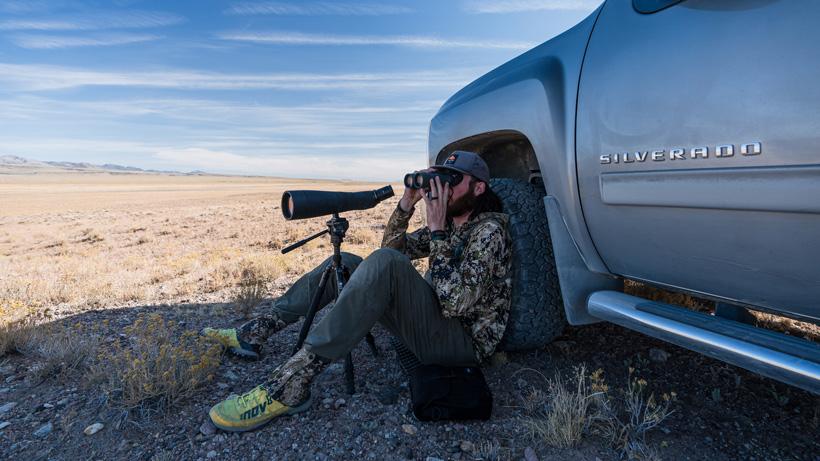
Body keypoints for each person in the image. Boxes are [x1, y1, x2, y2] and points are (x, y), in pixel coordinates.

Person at [203, 150, 512, 432]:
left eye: (454, 181)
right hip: (434, 326)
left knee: (385, 263)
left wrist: (437, 232)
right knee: (347, 263)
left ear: (478, 188)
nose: (445, 189)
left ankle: (290, 384)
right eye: (442, 179)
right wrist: (407, 204)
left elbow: (455, 303)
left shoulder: (489, 232)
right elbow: (392, 249)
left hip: (461, 345)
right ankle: (257, 331)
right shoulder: (453, 226)